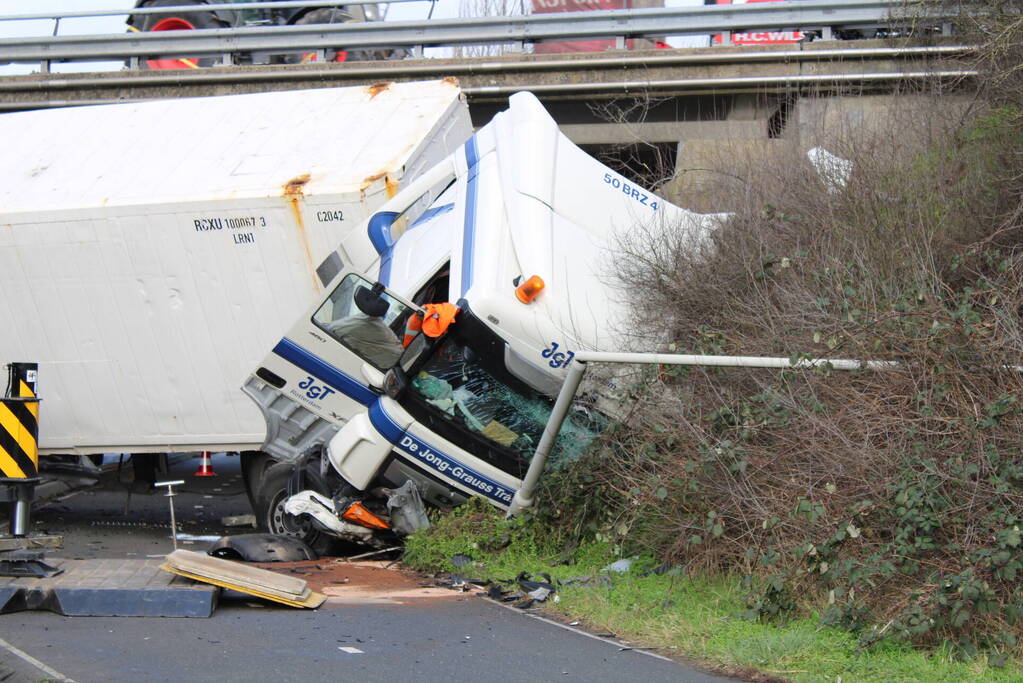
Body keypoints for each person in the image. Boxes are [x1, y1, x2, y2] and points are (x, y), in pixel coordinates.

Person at [325, 284, 403, 369]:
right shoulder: (365, 321)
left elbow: (331, 329)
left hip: (390, 364)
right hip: (390, 362)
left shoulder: (359, 325)